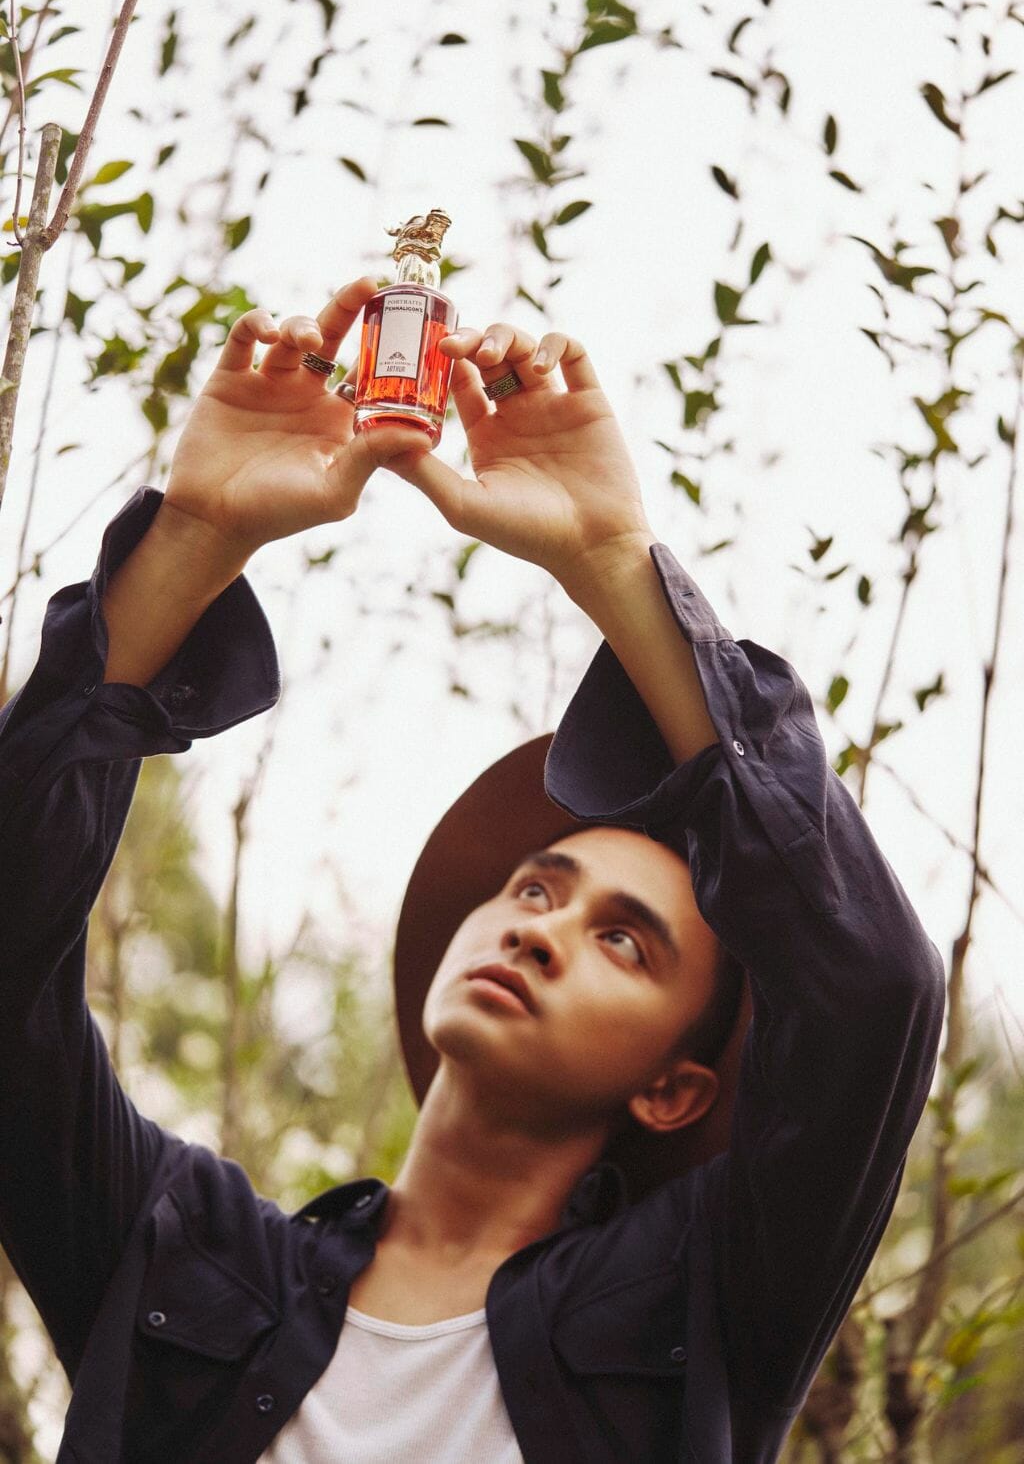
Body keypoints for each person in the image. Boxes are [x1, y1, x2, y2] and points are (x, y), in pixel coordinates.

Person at [0, 275, 946, 1464]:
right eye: (537, 888)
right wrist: (193, 536)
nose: (540, 930)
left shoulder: (705, 1298)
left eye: (624, 941)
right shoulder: (181, 1252)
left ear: (674, 1088)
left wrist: (611, 561)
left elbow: (872, 992)